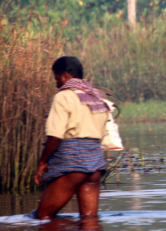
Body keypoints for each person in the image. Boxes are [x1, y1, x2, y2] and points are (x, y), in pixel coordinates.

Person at [33, 56, 110, 219]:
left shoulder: (64, 96)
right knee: (89, 221)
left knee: (43, 216)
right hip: (95, 165)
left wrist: (42, 162)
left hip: (72, 165)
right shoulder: (97, 97)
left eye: (56, 78)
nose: (57, 84)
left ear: (63, 75)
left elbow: (55, 136)